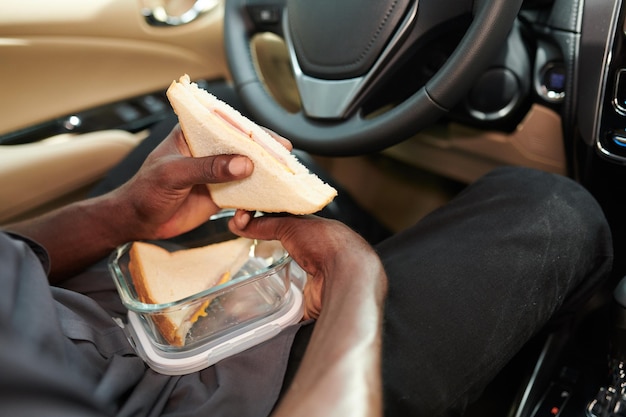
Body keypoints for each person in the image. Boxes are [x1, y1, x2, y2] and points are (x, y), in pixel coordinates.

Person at [0, 120, 613, 417]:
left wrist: (125, 216)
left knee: (235, 144)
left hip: (94, 297)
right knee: (553, 209)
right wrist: (354, 277)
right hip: (225, 402)